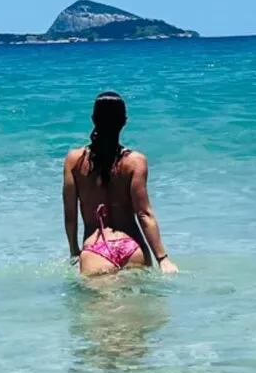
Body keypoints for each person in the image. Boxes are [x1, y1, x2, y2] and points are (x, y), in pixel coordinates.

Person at [62, 91, 179, 276]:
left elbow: (70, 215)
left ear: (93, 119)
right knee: (138, 295)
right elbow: (144, 214)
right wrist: (162, 259)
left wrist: (74, 251)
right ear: (124, 121)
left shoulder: (73, 160)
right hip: (133, 247)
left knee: (101, 295)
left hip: (95, 249)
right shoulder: (136, 161)